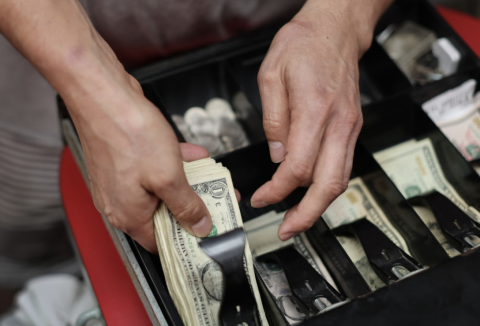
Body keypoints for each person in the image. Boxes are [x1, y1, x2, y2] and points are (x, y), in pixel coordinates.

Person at [0, 0, 393, 282]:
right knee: (33, 221)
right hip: (47, 41)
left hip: (289, 24)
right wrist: (85, 83)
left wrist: (344, 16)